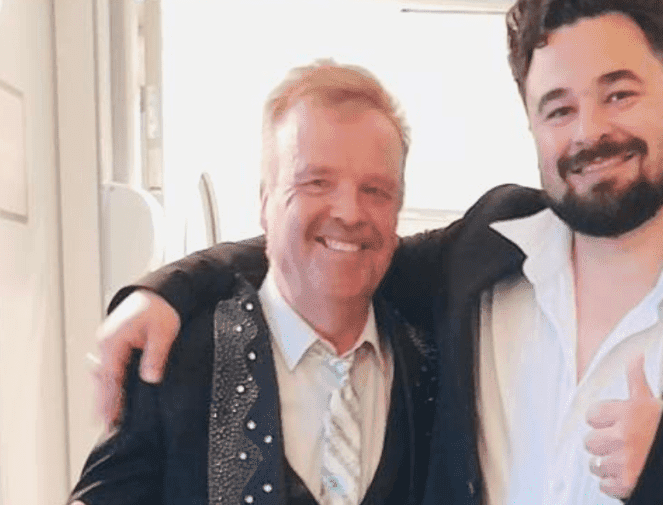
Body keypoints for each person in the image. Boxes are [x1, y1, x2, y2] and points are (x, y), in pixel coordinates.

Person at [92, 0, 663, 505]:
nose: (591, 133)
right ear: (534, 129)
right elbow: (332, 247)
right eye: (559, 107)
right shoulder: (482, 254)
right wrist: (164, 289)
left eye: (620, 93)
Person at [69, 63, 436, 505]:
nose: (350, 212)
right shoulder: (176, 357)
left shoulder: (436, 358)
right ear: (265, 205)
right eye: (316, 182)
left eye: (375, 190)